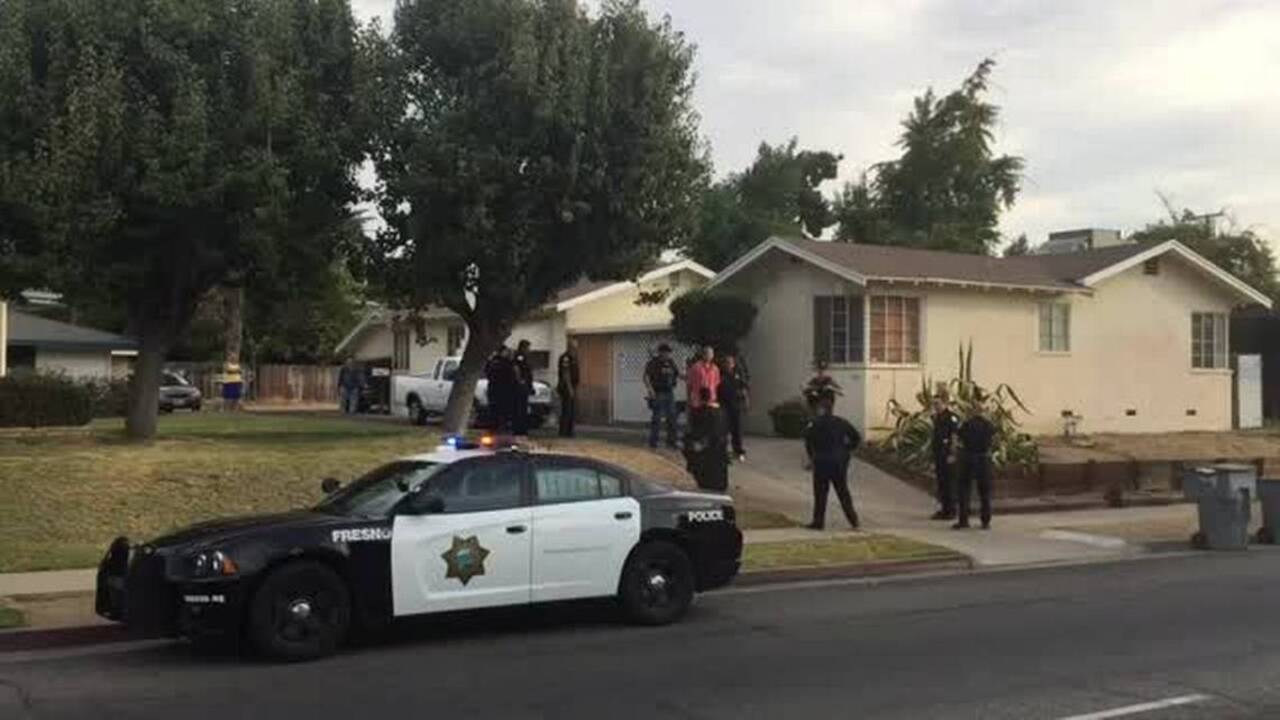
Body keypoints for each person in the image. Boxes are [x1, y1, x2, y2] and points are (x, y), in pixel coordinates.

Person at [803, 397, 861, 530]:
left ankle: (818, 521)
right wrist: (847, 450)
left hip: (822, 461)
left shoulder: (814, 423)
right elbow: (856, 437)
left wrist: (812, 457)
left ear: (821, 409)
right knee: (843, 491)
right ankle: (853, 520)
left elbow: (808, 441)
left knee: (820, 493)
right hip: (839, 462)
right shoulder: (841, 422)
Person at [955, 401, 997, 530]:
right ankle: (985, 521)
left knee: (964, 490)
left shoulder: (967, 424)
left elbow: (960, 437)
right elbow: (993, 440)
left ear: (973, 411)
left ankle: (963, 520)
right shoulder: (988, 425)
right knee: (984, 492)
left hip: (968, 457)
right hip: (983, 459)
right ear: (983, 411)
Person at [683, 388, 728, 491]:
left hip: (705, 450)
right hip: (719, 450)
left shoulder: (699, 412)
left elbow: (695, 432)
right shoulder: (721, 411)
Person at [643, 344, 681, 449]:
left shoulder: (671, 362)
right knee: (657, 419)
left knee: (672, 419)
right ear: (660, 352)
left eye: (668, 352)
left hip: (670, 393)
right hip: (658, 393)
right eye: (666, 352)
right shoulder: (653, 363)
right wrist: (650, 390)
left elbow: (678, 374)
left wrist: (688, 378)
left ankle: (671, 442)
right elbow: (645, 377)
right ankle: (653, 442)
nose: (668, 354)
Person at [930, 396, 961, 520]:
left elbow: (954, 436)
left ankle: (951, 510)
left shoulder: (951, 418)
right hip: (939, 455)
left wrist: (952, 454)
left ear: (945, 403)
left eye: (937, 403)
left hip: (948, 455)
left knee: (950, 483)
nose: (935, 406)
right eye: (934, 404)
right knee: (942, 483)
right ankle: (944, 509)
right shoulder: (937, 418)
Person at [719, 353, 749, 461]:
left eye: (730, 363)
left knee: (737, 429)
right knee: (724, 430)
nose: (728, 365)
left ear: (733, 364)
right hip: (724, 406)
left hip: (736, 405)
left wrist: (746, 401)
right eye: (726, 363)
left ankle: (738, 450)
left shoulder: (737, 374)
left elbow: (743, 387)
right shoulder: (720, 375)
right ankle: (723, 452)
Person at [485, 346, 516, 432]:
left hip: (493, 390)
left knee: (494, 411)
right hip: (504, 391)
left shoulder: (492, 362)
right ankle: (501, 428)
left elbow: (487, 373)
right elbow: (511, 377)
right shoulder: (506, 363)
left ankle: (494, 427)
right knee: (503, 412)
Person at [557, 339, 580, 437]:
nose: (576, 349)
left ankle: (570, 431)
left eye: (576, 347)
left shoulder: (573, 357)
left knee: (571, 411)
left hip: (572, 387)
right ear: (569, 346)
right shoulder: (566, 358)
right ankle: (564, 432)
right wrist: (570, 388)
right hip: (566, 387)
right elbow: (566, 373)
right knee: (567, 410)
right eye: (574, 347)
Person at [687, 345, 721, 411]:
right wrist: (689, 400)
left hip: (711, 401)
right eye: (707, 353)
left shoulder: (715, 368)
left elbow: (717, 385)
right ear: (703, 355)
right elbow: (689, 384)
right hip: (698, 401)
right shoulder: (695, 367)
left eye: (711, 354)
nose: (709, 355)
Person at [512, 339, 534, 436]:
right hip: (520, 387)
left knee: (523, 408)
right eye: (528, 348)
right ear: (523, 348)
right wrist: (520, 381)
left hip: (525, 386)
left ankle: (522, 428)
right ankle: (519, 429)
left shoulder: (525, 357)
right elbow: (516, 369)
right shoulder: (519, 357)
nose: (529, 350)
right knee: (520, 409)